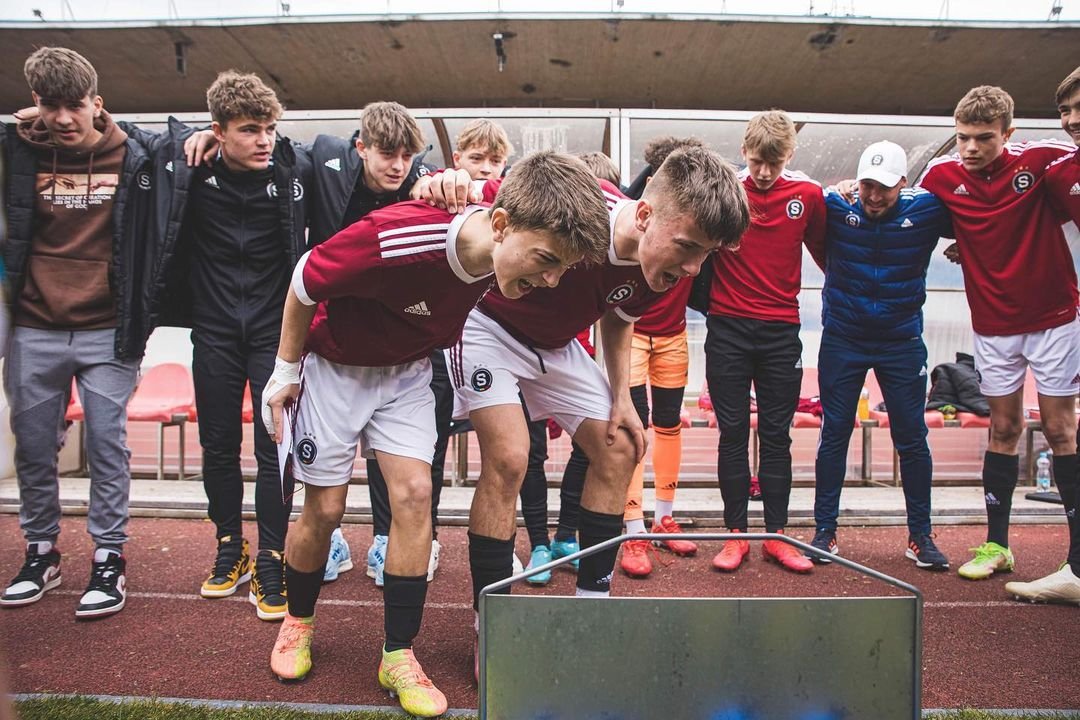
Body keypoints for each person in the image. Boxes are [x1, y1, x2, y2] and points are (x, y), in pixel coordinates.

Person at [261, 151, 610, 718]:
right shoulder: (396, 236)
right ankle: (297, 622)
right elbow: (305, 280)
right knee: (323, 512)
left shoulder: (501, 221)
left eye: (561, 269)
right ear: (500, 226)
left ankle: (397, 654)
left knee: (416, 496)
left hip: (407, 374)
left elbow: (511, 180)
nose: (550, 281)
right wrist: (286, 368)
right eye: (546, 260)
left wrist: (455, 177)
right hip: (335, 368)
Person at [429, 147, 748, 677]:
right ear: (644, 215)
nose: (694, 267)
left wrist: (621, 396)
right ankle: (494, 623)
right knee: (510, 456)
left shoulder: (662, 266)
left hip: (556, 348)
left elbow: (619, 318)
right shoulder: (580, 208)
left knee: (621, 445)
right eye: (689, 246)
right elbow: (493, 199)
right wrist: (442, 180)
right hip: (487, 329)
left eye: (707, 254)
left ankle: (590, 611)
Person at [124, 71, 311, 619]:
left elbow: (336, 157)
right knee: (218, 444)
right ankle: (231, 545)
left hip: (273, 335)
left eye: (270, 128)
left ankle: (273, 556)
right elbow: (132, 139)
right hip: (214, 329)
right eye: (250, 129)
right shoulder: (189, 170)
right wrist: (180, 140)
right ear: (218, 132)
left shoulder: (290, 167)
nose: (264, 140)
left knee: (274, 447)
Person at [0, 47, 152, 619]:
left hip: (109, 329)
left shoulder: (136, 154)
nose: (62, 118)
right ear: (35, 104)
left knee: (108, 443)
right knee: (35, 448)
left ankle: (109, 557)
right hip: (34, 326)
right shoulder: (17, 149)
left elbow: (181, 141)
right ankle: (41, 552)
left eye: (74, 105)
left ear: (97, 104)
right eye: (49, 105)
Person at [918, 86, 1078, 583]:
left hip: (1055, 318)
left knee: (1060, 430)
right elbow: (909, 213)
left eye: (983, 138)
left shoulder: (1047, 160)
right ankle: (998, 545)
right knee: (1003, 429)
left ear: (1008, 133)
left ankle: (1076, 559)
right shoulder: (940, 177)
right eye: (962, 137)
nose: (969, 148)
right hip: (992, 326)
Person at [365, 118, 514, 587]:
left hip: (474, 341)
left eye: (495, 161)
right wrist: (436, 182)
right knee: (390, 447)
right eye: (476, 159)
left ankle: (430, 539)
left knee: (466, 446)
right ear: (457, 162)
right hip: (412, 333)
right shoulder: (439, 189)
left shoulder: (506, 205)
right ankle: (384, 536)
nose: (485, 169)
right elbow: (422, 184)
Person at [809, 140, 952, 570]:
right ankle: (824, 532)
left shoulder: (926, 210)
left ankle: (920, 537)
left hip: (901, 342)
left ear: (903, 184)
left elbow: (984, 219)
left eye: (884, 188)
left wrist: (966, 246)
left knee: (911, 438)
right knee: (834, 433)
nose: (873, 196)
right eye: (867, 185)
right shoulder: (836, 204)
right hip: (843, 339)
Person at [707, 110, 825, 575]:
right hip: (728, 329)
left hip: (781, 331)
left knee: (777, 435)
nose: (764, 172)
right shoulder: (725, 192)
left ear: (790, 155)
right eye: (757, 161)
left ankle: (776, 535)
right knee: (733, 432)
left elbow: (829, 253)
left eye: (774, 163)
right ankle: (735, 535)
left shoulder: (808, 194)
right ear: (744, 152)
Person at [1003, 67, 1080, 604]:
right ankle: (1076, 569)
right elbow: (1017, 222)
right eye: (1066, 109)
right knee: (1063, 431)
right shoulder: (1060, 174)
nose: (1072, 119)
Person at [618, 137, 705, 579]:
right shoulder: (638, 216)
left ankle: (663, 516)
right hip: (630, 335)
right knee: (635, 429)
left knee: (669, 423)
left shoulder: (699, 219)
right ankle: (632, 528)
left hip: (673, 337)